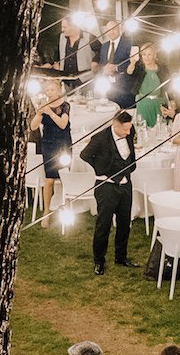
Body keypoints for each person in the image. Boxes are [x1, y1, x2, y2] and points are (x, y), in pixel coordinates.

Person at [79, 105, 138, 273]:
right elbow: (84, 155)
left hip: (126, 184)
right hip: (107, 186)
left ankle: (121, 256)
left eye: (129, 128)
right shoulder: (100, 138)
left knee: (124, 223)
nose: (128, 132)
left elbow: (130, 151)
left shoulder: (129, 132)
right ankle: (99, 260)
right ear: (115, 125)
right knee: (103, 225)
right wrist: (102, 168)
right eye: (125, 129)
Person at [35, 74, 75, 213]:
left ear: (58, 91)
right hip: (48, 145)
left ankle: (67, 206)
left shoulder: (65, 106)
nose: (49, 92)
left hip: (63, 145)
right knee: (49, 179)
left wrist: (50, 113)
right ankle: (46, 210)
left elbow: (63, 124)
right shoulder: (43, 106)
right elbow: (33, 126)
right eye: (47, 89)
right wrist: (39, 113)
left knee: (65, 176)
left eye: (52, 89)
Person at [133, 44, 169, 130]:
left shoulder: (162, 68)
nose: (146, 57)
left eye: (149, 54)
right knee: (144, 127)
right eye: (144, 54)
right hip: (143, 103)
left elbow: (167, 86)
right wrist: (132, 63)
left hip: (158, 103)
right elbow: (129, 74)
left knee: (159, 127)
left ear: (155, 55)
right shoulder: (139, 68)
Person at [57, 17, 93, 88]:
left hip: (84, 81)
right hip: (66, 81)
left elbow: (100, 52)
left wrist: (95, 62)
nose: (62, 30)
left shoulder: (89, 37)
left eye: (65, 27)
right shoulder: (62, 37)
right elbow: (57, 53)